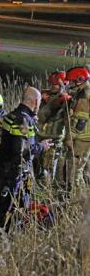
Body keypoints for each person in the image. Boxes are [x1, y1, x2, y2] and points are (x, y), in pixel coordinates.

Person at [0, 87, 52, 233]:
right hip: (14, 175)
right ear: (35, 102)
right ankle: (3, 239)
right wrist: (41, 147)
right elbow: (21, 150)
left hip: (3, 170)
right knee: (11, 211)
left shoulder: (12, 115)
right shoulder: (23, 119)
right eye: (39, 102)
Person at [37, 72, 70, 186]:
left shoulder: (65, 99)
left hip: (53, 140)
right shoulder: (44, 95)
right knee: (38, 169)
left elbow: (68, 120)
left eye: (55, 84)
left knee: (48, 170)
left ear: (62, 84)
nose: (52, 86)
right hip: (39, 138)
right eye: (51, 83)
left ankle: (46, 195)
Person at [64, 67, 89, 195]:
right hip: (84, 139)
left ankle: (78, 202)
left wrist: (69, 138)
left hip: (82, 140)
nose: (71, 85)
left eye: (73, 82)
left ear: (80, 80)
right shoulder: (83, 91)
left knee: (75, 173)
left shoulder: (84, 95)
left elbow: (81, 121)